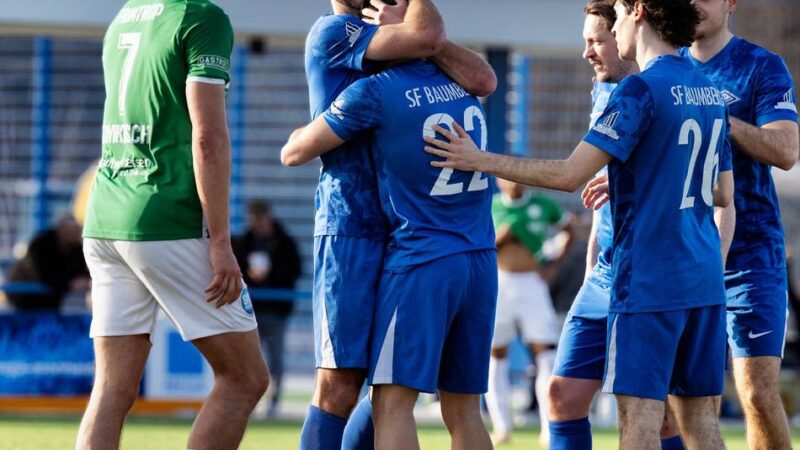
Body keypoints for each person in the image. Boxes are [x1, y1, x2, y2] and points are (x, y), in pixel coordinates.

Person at [424, 0, 736, 447]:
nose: (595, 46)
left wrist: (479, 160)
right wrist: (643, 177)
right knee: (700, 424)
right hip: (700, 278)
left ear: (638, 12)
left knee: (642, 421)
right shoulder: (709, 91)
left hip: (649, 279)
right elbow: (722, 193)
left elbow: (570, 175)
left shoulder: (640, 90)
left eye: (617, 18)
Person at [299, 1, 496, 448]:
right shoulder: (333, 32)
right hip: (349, 223)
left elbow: (474, 70)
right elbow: (430, 40)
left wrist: (425, 39)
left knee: (388, 387)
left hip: (407, 236)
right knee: (341, 383)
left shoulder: (402, 71)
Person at [76, 2, 269, 449]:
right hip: (168, 216)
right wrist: (221, 240)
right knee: (245, 378)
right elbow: (208, 138)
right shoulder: (201, 16)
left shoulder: (125, 15)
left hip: (106, 216)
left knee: (111, 390)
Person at [545, 2, 683, 449]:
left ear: (628, 32)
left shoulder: (658, 89)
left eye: (598, 40)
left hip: (650, 275)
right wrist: (589, 268)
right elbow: (597, 203)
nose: (589, 52)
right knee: (561, 395)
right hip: (603, 274)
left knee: (658, 416)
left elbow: (709, 191)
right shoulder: (602, 91)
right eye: (586, 41)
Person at [679, 1, 800, 448]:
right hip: (686, 249)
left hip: (752, 253)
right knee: (692, 399)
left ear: (730, 2)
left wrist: (717, 118)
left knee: (757, 392)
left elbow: (786, 151)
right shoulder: (665, 69)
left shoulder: (761, 65)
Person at [486, 179, 565, 446]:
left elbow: (569, 228)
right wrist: (502, 237)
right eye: (508, 179)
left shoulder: (542, 204)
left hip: (533, 283)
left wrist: (553, 266)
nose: (514, 183)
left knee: (545, 353)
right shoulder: (492, 205)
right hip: (500, 283)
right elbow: (481, 241)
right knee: (496, 353)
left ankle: (548, 426)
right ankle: (501, 426)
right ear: (499, 181)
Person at [233, 200, 302, 417]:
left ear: (267, 218)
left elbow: (295, 270)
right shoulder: (243, 241)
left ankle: (273, 402)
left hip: (276, 311)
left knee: (275, 357)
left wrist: (270, 273)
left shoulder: (285, 242)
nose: (255, 224)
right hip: (250, 309)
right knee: (248, 358)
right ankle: (248, 401)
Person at [7, 214, 90, 311]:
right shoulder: (41, 244)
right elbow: (42, 274)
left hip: (50, 299)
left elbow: (81, 271)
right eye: (71, 231)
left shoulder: (75, 247)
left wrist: (82, 280)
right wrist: (70, 283)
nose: (75, 234)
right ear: (61, 229)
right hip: (25, 296)